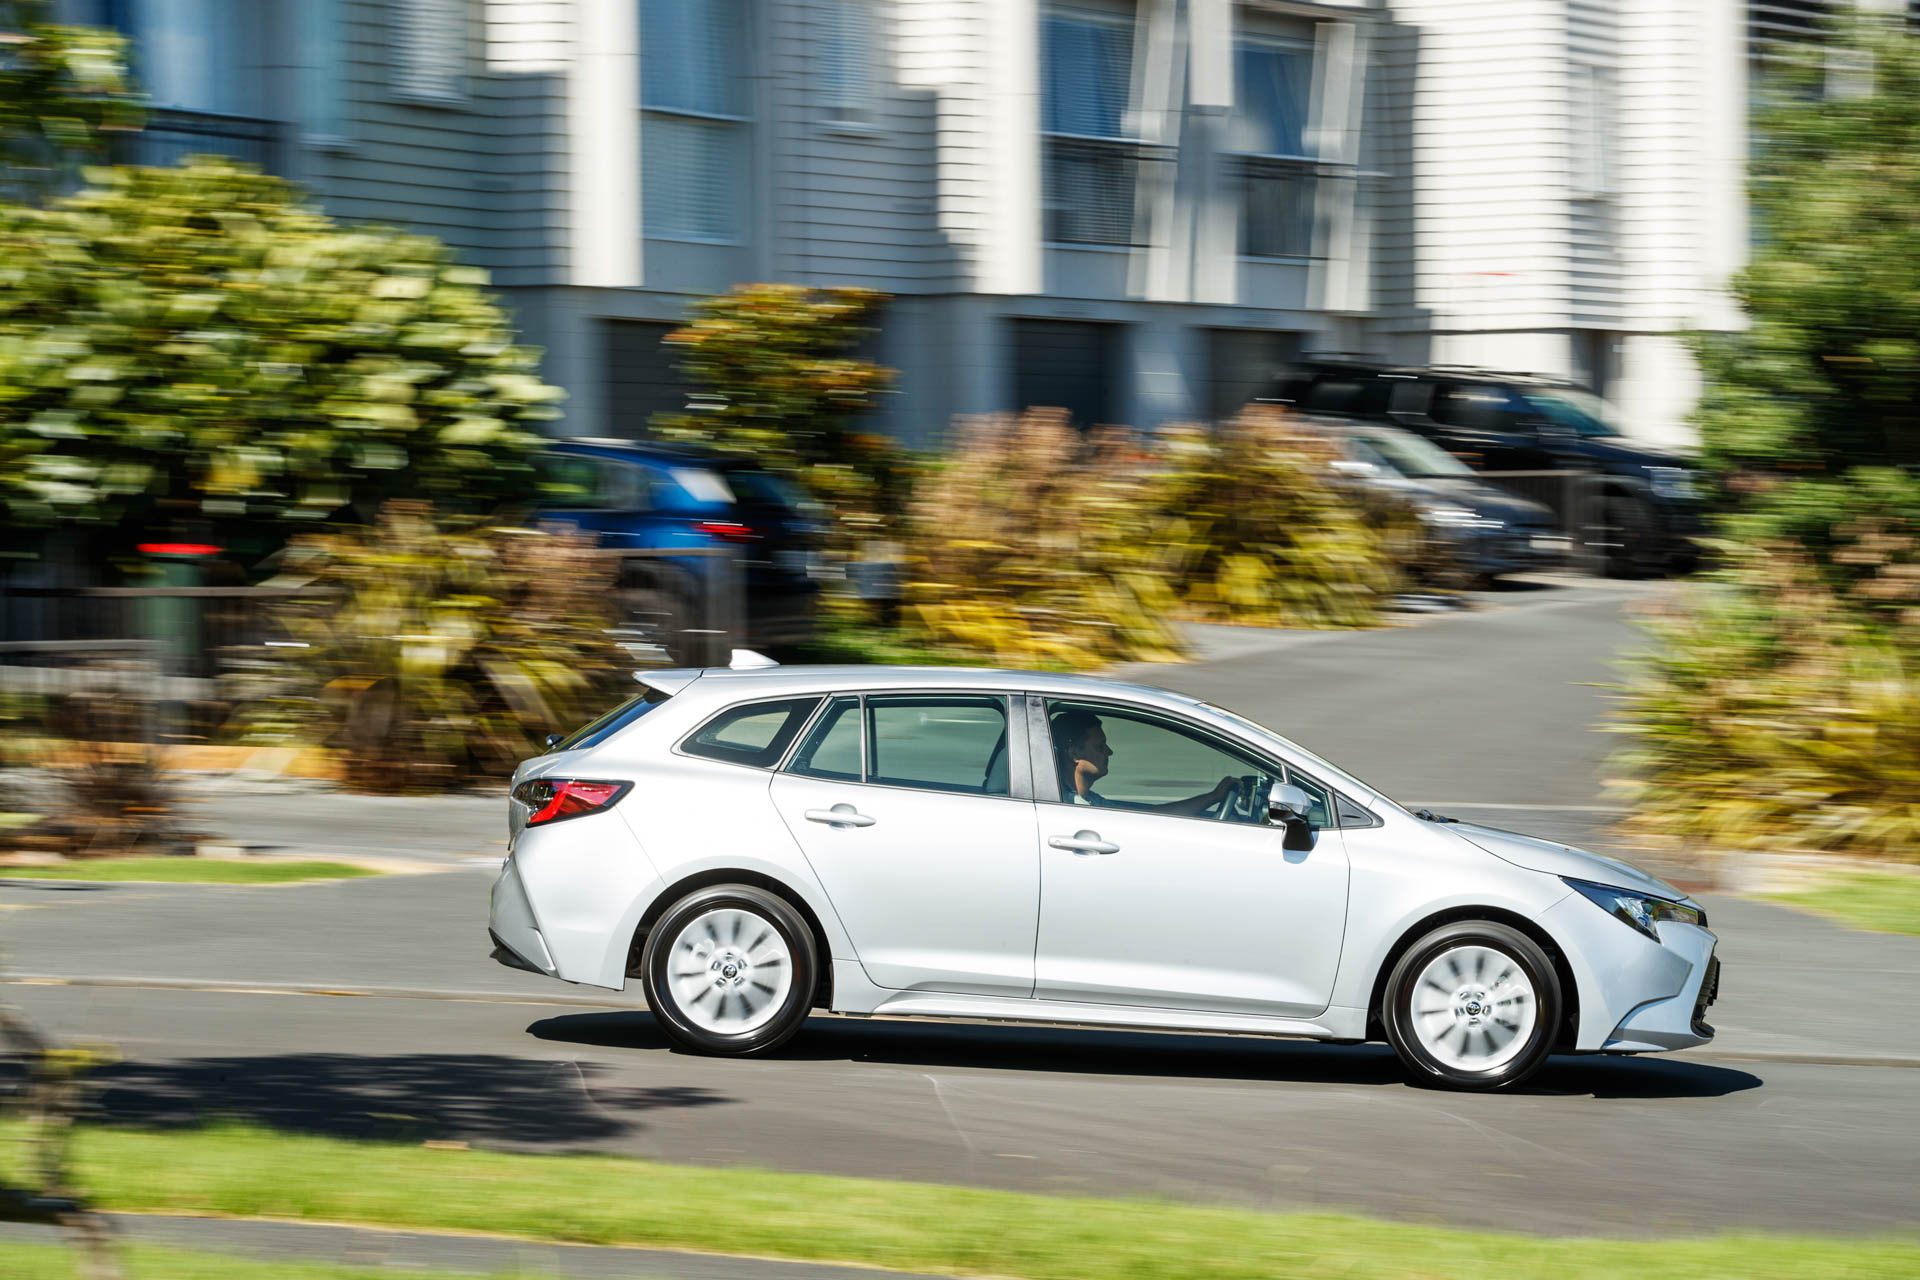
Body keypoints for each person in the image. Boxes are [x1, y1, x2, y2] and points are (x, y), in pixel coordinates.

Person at [1050, 708, 1240, 817]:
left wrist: (1213, 797)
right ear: (1075, 754)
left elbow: (1155, 815)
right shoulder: (1073, 809)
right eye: (1100, 746)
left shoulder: (1092, 801)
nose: (1110, 752)